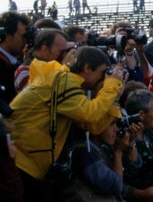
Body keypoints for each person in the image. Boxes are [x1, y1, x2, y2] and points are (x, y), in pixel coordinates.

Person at [10, 47, 124, 201]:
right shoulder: (62, 80)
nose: (104, 79)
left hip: (29, 163)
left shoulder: (64, 80)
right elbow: (89, 114)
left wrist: (114, 97)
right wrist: (111, 87)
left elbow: (92, 126)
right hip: (22, 163)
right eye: (102, 73)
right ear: (87, 68)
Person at [0, 12, 30, 112]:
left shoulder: (15, 61)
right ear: (8, 36)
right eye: (23, 36)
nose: (26, 41)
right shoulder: (3, 64)